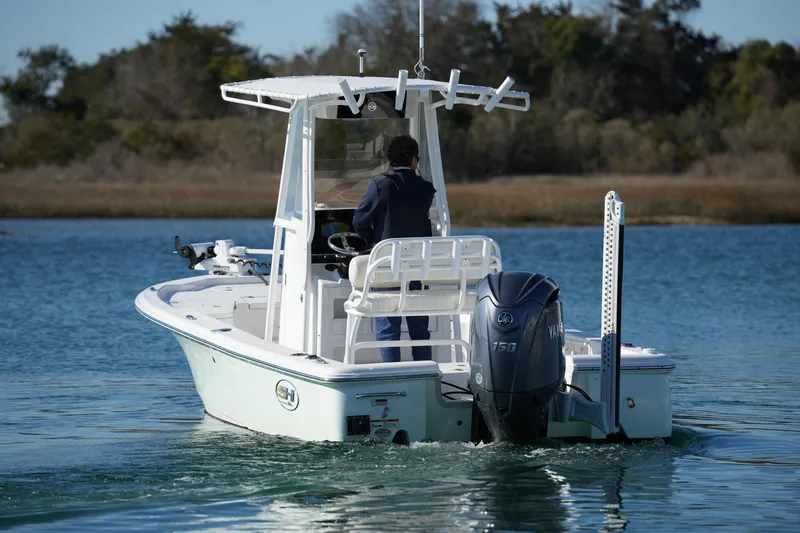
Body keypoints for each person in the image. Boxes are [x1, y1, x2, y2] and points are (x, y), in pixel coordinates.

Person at [352, 134, 436, 363]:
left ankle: (392, 372)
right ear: (414, 160)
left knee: (389, 326)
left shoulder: (380, 185)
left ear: (390, 160)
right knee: (419, 328)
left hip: (387, 268)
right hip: (417, 269)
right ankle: (423, 370)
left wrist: (373, 242)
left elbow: (359, 221)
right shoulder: (427, 189)